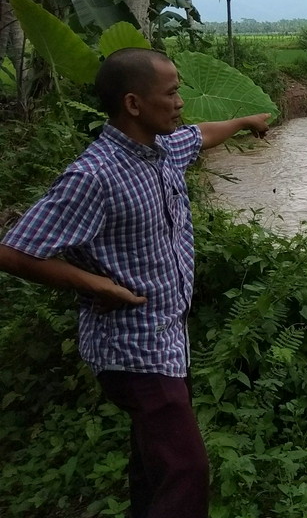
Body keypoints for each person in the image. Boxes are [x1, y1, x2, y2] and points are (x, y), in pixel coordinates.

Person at [0, 47, 271, 518]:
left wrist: (244, 121)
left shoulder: (161, 149)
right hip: (132, 347)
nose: (181, 101)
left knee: (154, 468)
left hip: (167, 340)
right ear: (133, 103)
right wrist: (94, 285)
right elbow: (13, 250)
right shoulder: (95, 176)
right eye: (171, 93)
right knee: (185, 471)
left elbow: (202, 134)